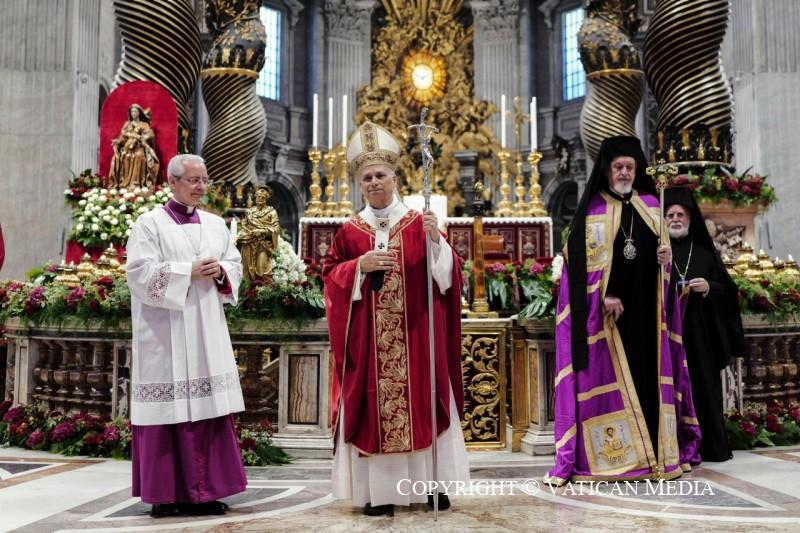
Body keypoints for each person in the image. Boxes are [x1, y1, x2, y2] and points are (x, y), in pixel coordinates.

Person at [323, 121, 468, 516]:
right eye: (367, 177)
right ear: (359, 183)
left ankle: (432, 486)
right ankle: (380, 493)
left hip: (417, 337)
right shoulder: (350, 231)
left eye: (380, 175)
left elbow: (448, 277)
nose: (374, 182)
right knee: (374, 410)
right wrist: (359, 266)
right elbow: (330, 278)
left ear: (395, 178)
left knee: (424, 404)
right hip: (369, 344)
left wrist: (437, 243)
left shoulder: (420, 223)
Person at [544, 135, 701, 486]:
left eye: (630, 167)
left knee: (649, 380)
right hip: (607, 323)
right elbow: (580, 271)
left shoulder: (652, 206)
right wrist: (605, 295)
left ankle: (656, 457)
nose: (625, 173)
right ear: (607, 170)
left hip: (648, 318)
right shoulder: (592, 212)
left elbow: (664, 273)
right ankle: (622, 460)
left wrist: (665, 261)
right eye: (618, 167)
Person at [125, 154, 246, 518]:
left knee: (208, 408)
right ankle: (165, 495)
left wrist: (221, 272)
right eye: (194, 180)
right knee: (166, 409)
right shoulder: (149, 224)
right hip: (165, 332)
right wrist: (186, 271)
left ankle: (208, 492)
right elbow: (138, 273)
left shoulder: (216, 224)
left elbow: (234, 264)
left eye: (204, 180)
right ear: (172, 182)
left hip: (206, 329)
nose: (201, 187)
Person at [665, 186, 745, 462]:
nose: (675, 219)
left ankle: (709, 446)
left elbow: (728, 289)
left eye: (680, 215)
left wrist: (709, 286)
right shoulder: (659, 252)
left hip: (700, 335)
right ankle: (671, 447)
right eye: (670, 215)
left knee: (703, 388)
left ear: (690, 218)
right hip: (667, 334)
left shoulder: (704, 253)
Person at [109, 103, 160, 189]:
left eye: (135, 111)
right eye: (132, 112)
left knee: (139, 156)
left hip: (139, 147)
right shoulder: (127, 124)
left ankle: (135, 183)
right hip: (127, 148)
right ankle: (125, 182)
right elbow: (122, 137)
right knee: (126, 156)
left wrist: (142, 137)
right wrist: (117, 141)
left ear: (139, 113)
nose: (133, 113)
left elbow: (150, 134)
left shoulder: (144, 124)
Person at [236, 186, 280, 283]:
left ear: (266, 199)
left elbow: (276, 229)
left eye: (263, 197)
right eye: (258, 196)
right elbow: (244, 225)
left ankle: (263, 290)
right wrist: (242, 234)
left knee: (262, 270)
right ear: (255, 198)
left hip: (263, 245)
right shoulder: (250, 212)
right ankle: (248, 290)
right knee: (246, 271)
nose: (260, 199)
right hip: (248, 244)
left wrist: (262, 231)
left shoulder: (271, 212)